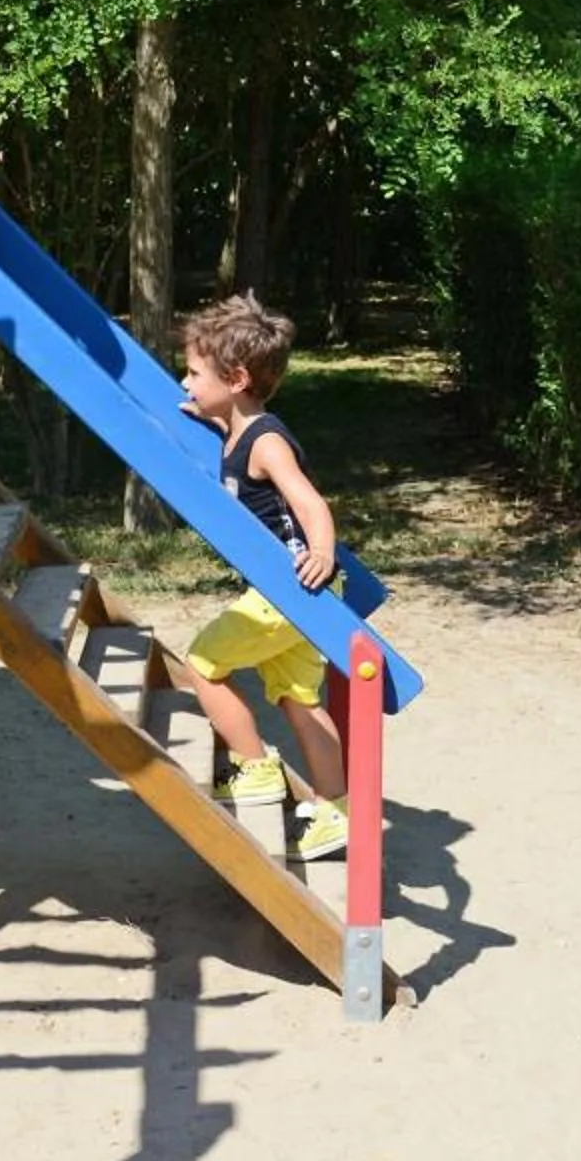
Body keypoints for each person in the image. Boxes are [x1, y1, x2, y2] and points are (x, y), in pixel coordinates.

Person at [170, 293, 350, 861]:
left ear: (238, 377)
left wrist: (321, 549)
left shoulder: (266, 442)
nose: (185, 382)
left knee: (202, 663)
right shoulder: (235, 426)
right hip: (294, 594)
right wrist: (209, 409)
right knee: (299, 698)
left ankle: (254, 766)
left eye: (195, 374)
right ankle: (334, 812)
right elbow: (222, 416)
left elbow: (309, 501)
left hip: (293, 591)